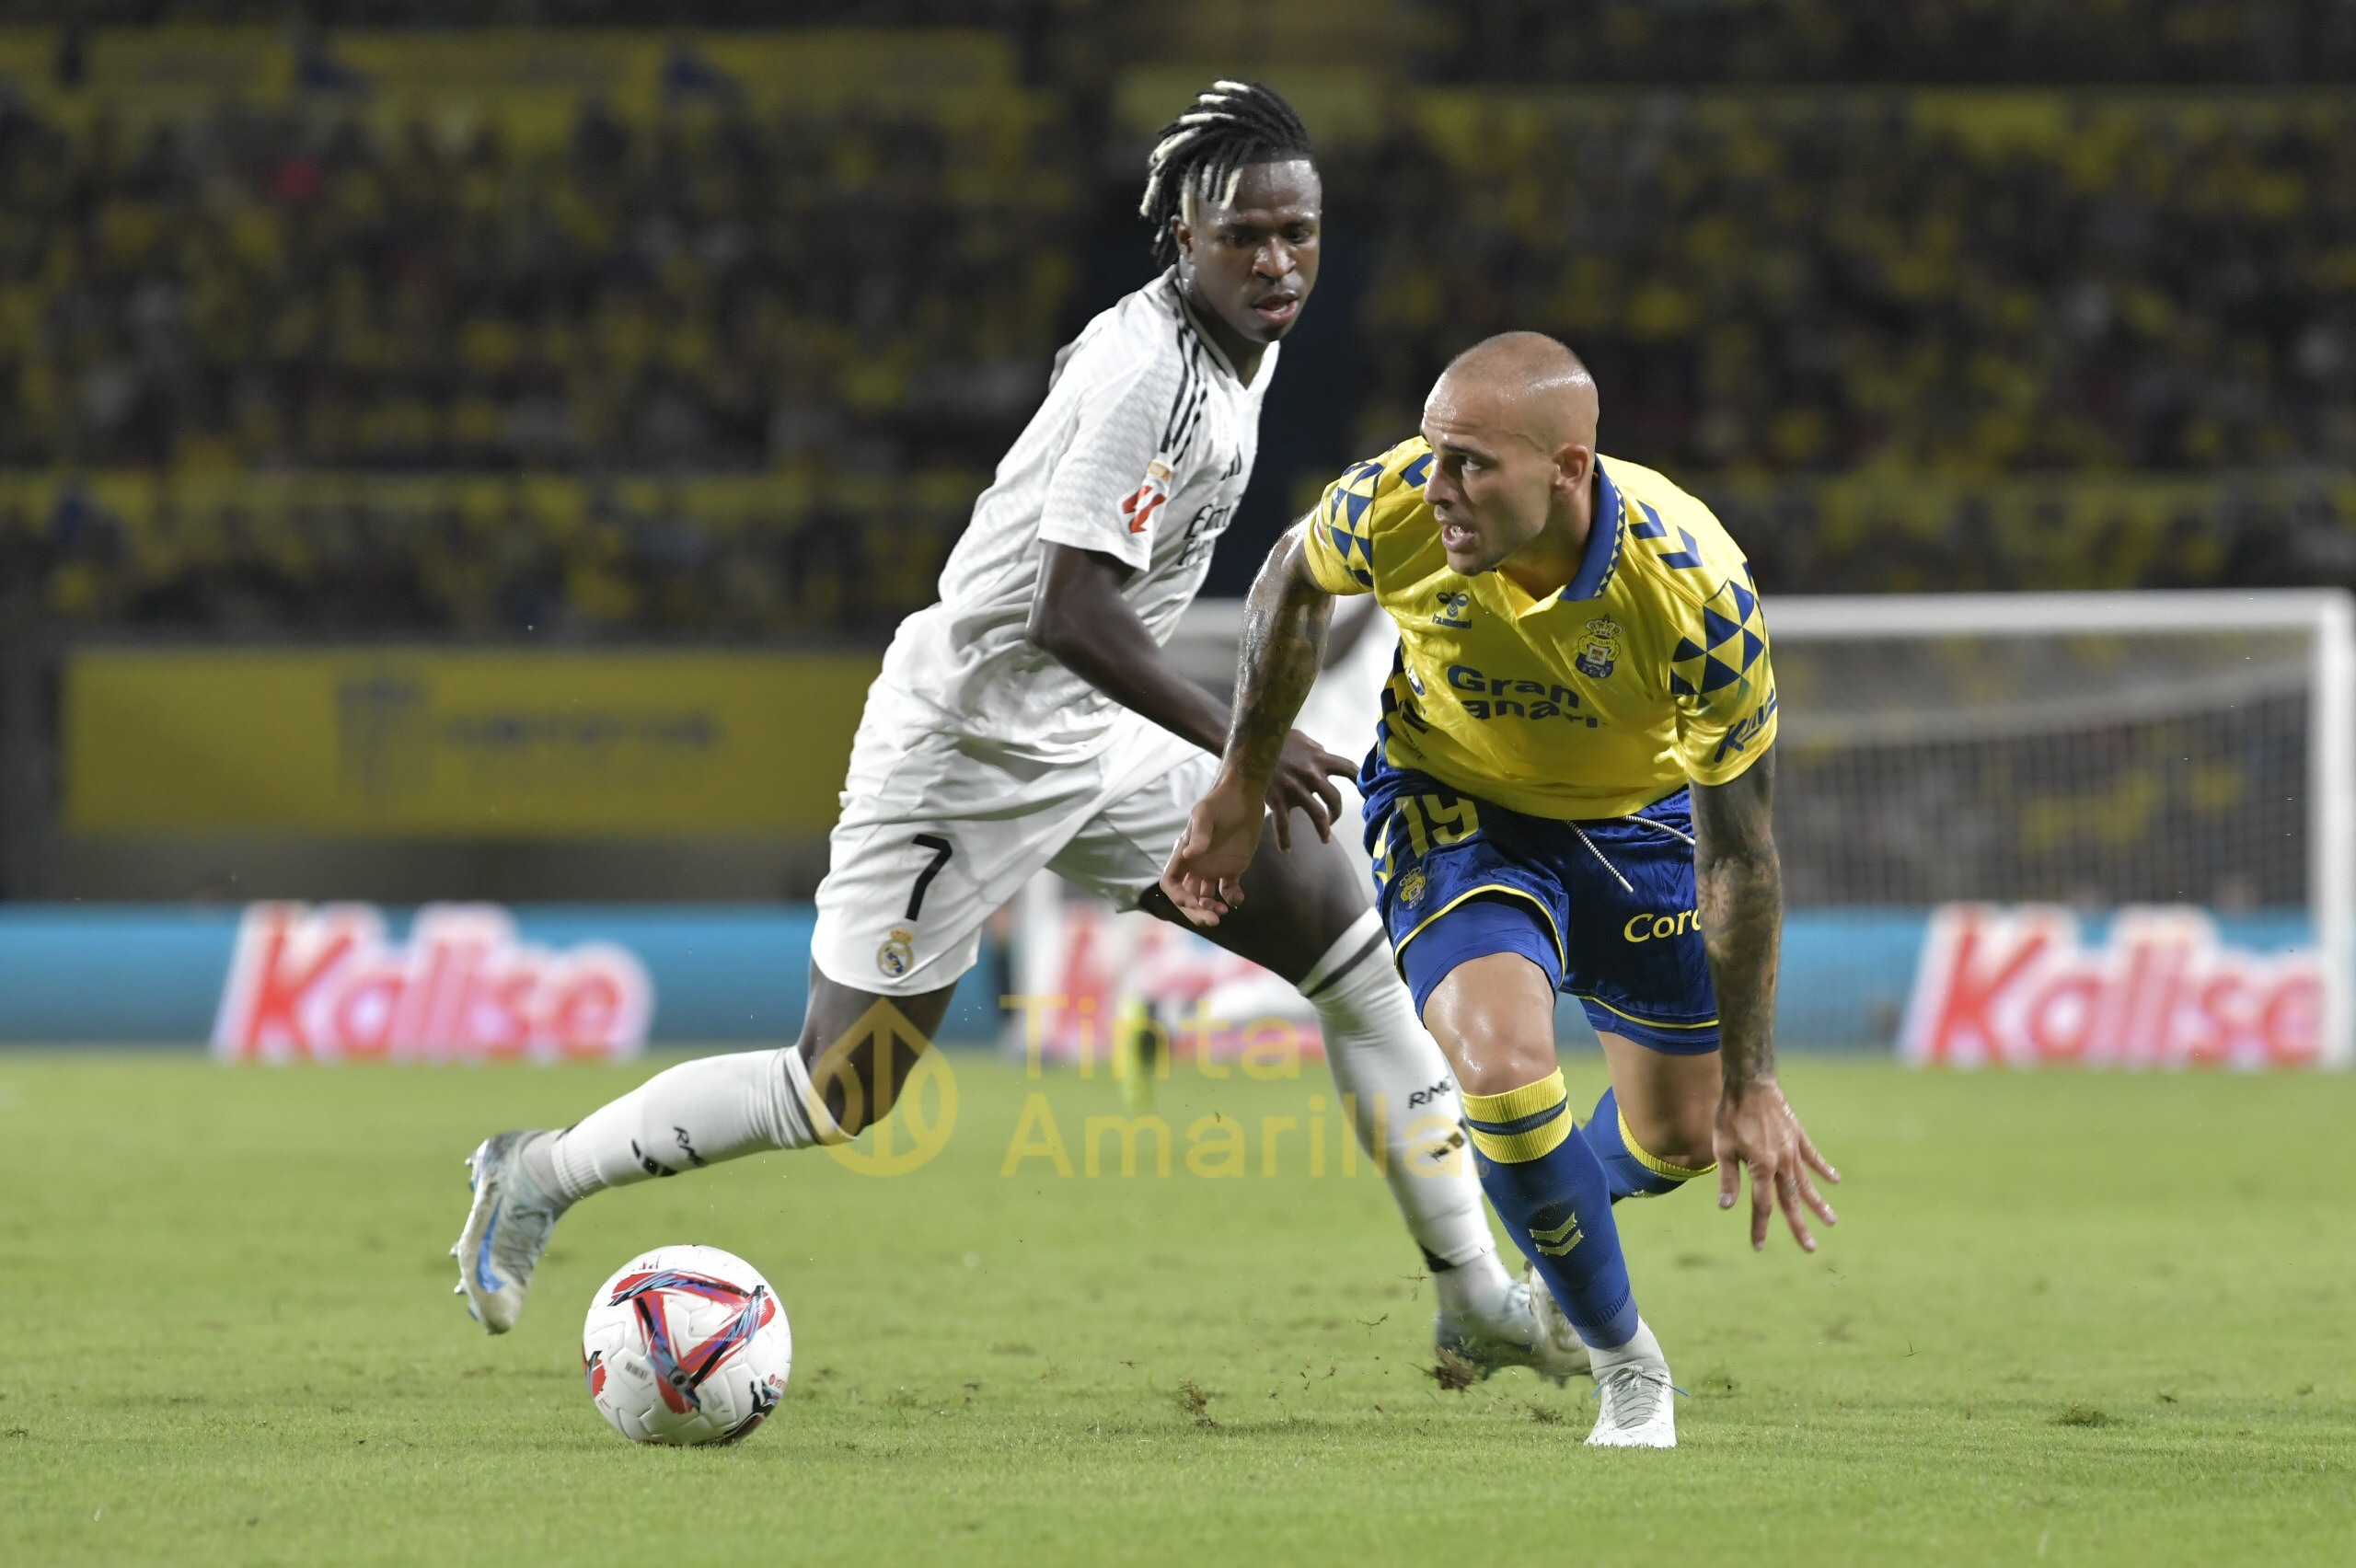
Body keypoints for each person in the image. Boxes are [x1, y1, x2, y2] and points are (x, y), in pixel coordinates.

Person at [452, 83, 1580, 1382]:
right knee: (840, 1090)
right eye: (1244, 238)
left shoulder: (1237, 343)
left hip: (1092, 736)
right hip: (967, 748)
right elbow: (1067, 608)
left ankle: (1472, 1295)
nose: (1277, 263)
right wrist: (1246, 749)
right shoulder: (1149, 373)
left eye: (1298, 233)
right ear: (1182, 241)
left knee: (1354, 950)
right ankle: (538, 1172)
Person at [1161, 331, 1842, 1447]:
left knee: (1681, 1137)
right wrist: (1241, 780)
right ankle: (1626, 1366)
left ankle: (1555, 1220)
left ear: (1567, 470)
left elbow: (1738, 854)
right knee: (1501, 1066)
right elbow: (1292, 574)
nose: (1436, 487)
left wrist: (1754, 1078)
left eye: (1470, 464)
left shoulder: (1696, 594)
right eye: (1434, 454)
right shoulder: (1394, 502)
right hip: (1455, 803)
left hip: (1641, 826)